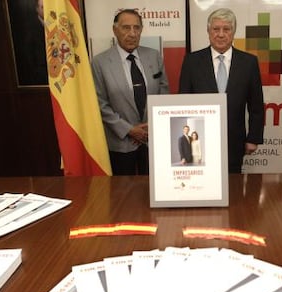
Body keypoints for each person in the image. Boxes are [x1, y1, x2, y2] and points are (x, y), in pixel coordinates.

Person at [179, 8, 264, 173]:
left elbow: (256, 106)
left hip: (234, 141)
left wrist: (253, 138)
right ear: (208, 31)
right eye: (216, 29)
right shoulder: (192, 61)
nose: (220, 34)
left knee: (233, 190)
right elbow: (183, 101)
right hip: (200, 140)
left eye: (226, 29)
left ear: (233, 32)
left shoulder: (249, 63)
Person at [92, 9, 169, 175]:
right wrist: (129, 130)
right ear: (115, 30)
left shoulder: (154, 56)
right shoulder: (100, 62)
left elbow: (164, 91)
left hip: (152, 139)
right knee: (122, 193)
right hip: (120, 143)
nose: (132, 33)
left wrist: (153, 125)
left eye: (137, 28)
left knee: (152, 191)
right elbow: (100, 104)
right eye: (126, 28)